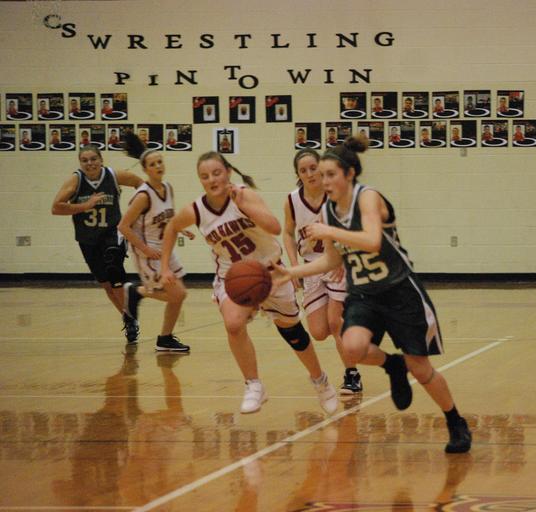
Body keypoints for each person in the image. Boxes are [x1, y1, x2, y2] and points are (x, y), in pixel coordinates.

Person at [271, 137, 472, 453]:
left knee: (421, 369)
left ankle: (454, 420)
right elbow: (332, 260)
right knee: (352, 348)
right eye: (322, 175)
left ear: (349, 174)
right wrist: (291, 272)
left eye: (330, 174)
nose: (324, 181)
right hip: (364, 294)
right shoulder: (328, 212)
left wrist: (328, 231)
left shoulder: (368, 198)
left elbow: (373, 240)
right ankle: (393, 365)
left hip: (400, 291)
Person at [159, 151, 339, 415]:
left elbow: (274, 227)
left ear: (228, 172)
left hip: (270, 272)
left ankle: (320, 380)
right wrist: (164, 266)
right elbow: (172, 227)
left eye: (216, 173)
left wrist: (245, 206)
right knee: (233, 324)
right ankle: (253, 384)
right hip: (232, 277)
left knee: (292, 332)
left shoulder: (245, 196)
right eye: (205, 176)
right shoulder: (196, 210)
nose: (212, 180)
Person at [284, 148, 363, 395]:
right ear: (298, 174)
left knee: (334, 322)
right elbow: (287, 233)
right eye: (303, 170)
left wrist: (343, 255)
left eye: (313, 168)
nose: (309, 174)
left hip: (338, 262)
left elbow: (354, 231)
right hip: (311, 266)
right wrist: (294, 267)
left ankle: (352, 374)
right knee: (318, 332)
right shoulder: (292, 200)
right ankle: (352, 325)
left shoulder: (336, 195)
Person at [51, 145, 143, 342]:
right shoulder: (76, 180)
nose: (90, 163)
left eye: (93, 159)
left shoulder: (113, 176)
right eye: (85, 160)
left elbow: (140, 184)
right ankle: (128, 317)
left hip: (112, 233)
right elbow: (56, 208)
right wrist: (85, 205)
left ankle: (130, 306)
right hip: (88, 238)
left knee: (113, 270)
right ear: (80, 163)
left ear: (101, 160)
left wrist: (137, 210)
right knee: (106, 285)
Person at [117, 132, 191, 352]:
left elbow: (169, 217)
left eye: (160, 162)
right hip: (147, 253)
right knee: (178, 294)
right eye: (153, 164)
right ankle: (136, 292)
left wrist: (181, 229)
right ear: (145, 170)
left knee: (178, 296)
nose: (158, 166)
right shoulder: (143, 196)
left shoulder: (168, 188)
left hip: (165, 249)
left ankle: (165, 339)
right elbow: (123, 226)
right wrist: (145, 249)